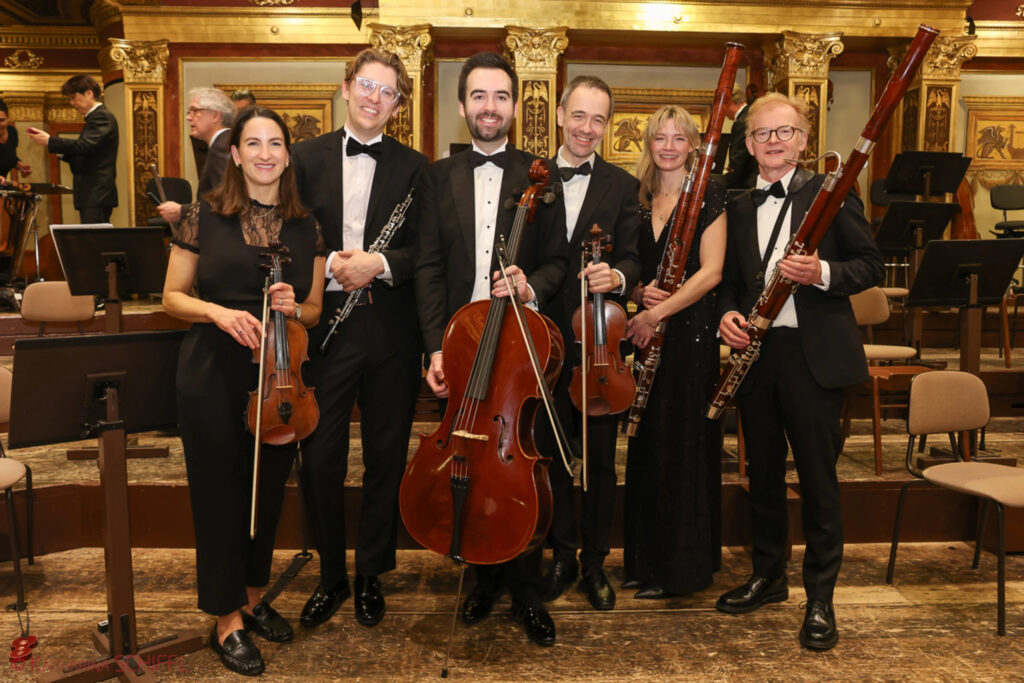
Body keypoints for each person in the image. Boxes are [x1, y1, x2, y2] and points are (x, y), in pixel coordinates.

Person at [715, 93, 883, 651]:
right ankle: (768, 576)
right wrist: (727, 316)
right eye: (761, 133)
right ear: (748, 144)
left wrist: (822, 272)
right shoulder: (739, 205)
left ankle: (820, 598)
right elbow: (731, 283)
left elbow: (869, 266)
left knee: (817, 481)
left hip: (813, 358)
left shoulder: (831, 192)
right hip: (757, 356)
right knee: (762, 475)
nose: (773, 142)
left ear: (804, 139)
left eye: (783, 131)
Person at [162, 106, 326, 676]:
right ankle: (226, 616)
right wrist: (218, 312)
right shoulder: (201, 216)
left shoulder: (307, 225)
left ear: (287, 154)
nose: (264, 154)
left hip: (279, 375)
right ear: (234, 154)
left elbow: (315, 308)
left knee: (267, 491)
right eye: (252, 143)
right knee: (218, 495)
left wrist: (294, 306)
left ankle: (253, 598)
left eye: (275, 143)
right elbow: (172, 297)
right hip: (213, 371)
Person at [415, 51, 568, 647]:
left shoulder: (540, 174)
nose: (490, 106)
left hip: (518, 344)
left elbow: (557, 261)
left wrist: (530, 285)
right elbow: (429, 268)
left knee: (519, 459)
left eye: (501, 96)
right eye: (479, 96)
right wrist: (435, 348)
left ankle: (525, 587)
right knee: (469, 460)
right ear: (462, 105)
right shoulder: (437, 177)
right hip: (461, 343)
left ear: (515, 106)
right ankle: (481, 578)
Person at [291, 47, 427, 631]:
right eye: (367, 86)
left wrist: (380, 263)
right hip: (322, 325)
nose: (375, 98)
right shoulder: (302, 158)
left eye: (387, 91)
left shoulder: (417, 167)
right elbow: (289, 236)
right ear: (346, 88)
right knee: (319, 458)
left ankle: (372, 571)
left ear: (398, 104)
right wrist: (328, 267)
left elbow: (428, 249)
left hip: (390, 326)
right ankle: (330, 575)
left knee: (385, 456)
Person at [537, 75, 640, 612]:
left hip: (599, 342)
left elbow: (634, 257)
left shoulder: (623, 185)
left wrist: (617, 277)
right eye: (578, 115)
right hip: (543, 339)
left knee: (600, 458)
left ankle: (595, 560)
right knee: (552, 452)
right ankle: (560, 554)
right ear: (559, 115)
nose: (587, 128)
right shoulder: (530, 177)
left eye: (598, 119)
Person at [620, 105, 727, 599]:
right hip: (648, 334)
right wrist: (638, 294)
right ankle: (645, 561)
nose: (668, 147)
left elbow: (712, 272)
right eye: (660, 137)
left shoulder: (709, 193)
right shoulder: (637, 197)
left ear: (693, 146)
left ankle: (681, 570)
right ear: (648, 143)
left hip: (690, 334)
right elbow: (631, 269)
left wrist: (656, 313)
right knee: (647, 444)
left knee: (682, 445)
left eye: (678, 138)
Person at [26, 74, 117, 223]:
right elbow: (89, 153)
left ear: (89, 93)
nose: (72, 103)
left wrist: (50, 141)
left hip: (96, 193)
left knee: (93, 236)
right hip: (93, 193)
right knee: (91, 235)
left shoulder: (101, 116)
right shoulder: (97, 117)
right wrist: (55, 146)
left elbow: (86, 145)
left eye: (73, 97)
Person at [158, 87, 235, 224]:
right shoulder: (227, 142)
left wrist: (182, 210)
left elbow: (227, 201)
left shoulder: (221, 148)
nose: (188, 117)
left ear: (215, 115)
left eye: (195, 111)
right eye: (189, 112)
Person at [724, 86, 756, 190]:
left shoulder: (742, 122)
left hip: (746, 184)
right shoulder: (751, 114)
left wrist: (726, 182)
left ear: (728, 101)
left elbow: (738, 159)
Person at [0, 99, 31, 180]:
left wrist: (20, 166)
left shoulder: (12, 132)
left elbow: (9, 157)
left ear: (8, 119)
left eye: (1, 120)